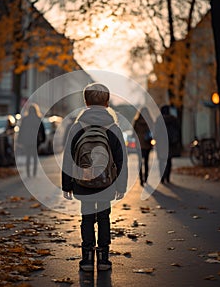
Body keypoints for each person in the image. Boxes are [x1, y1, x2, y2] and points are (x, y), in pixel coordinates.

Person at [62, 83, 128, 272]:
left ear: (86, 102)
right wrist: (121, 186)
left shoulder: (77, 126)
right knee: (105, 217)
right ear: (107, 102)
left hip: (83, 181)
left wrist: (67, 185)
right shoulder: (113, 127)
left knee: (87, 217)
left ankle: (87, 259)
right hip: (107, 182)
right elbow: (120, 159)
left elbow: (68, 157)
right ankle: (104, 258)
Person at [17, 103, 45, 177]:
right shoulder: (38, 119)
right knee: (35, 157)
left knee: (28, 157)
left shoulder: (25, 119)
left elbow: (21, 130)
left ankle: (28, 173)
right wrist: (43, 140)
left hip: (27, 140)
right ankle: (34, 173)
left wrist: (19, 140)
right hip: (35, 141)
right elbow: (42, 130)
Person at [156, 105, 181, 184]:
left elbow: (156, 132)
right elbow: (178, 130)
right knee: (169, 160)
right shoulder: (173, 119)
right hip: (171, 143)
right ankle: (168, 178)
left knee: (161, 161)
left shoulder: (159, 120)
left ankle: (162, 177)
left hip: (161, 143)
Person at [133, 107, 153, 186]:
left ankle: (141, 179)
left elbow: (133, 133)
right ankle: (146, 178)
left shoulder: (137, 122)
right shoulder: (149, 121)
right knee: (146, 162)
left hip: (139, 145)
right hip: (147, 144)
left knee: (140, 162)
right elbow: (152, 131)